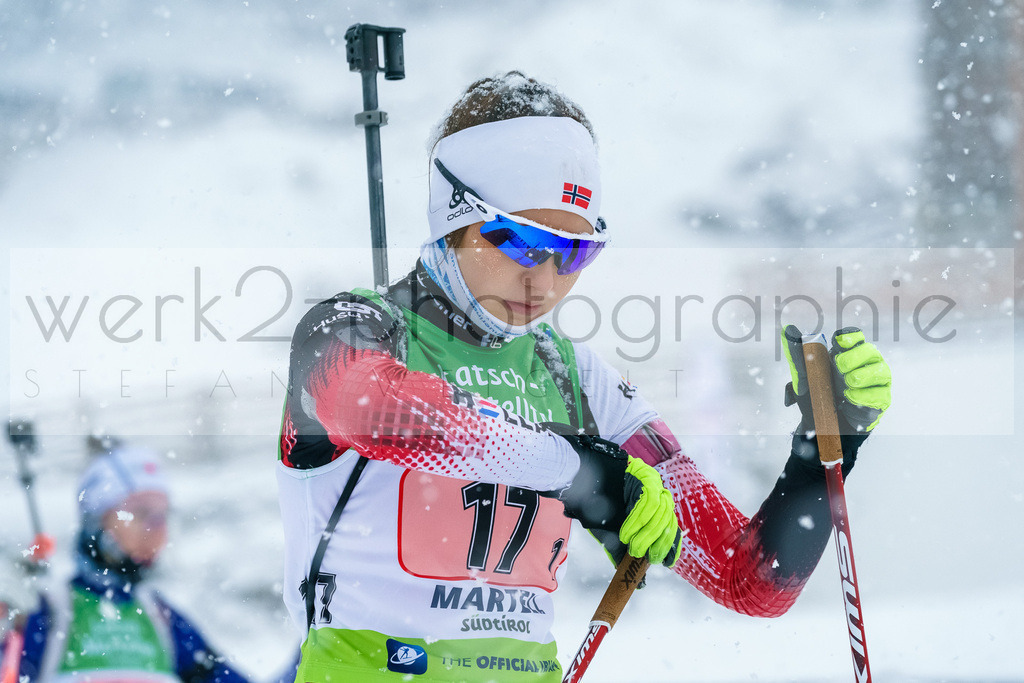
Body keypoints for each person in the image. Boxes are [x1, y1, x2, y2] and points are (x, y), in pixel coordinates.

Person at [276, 71, 892, 682]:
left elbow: (748, 580)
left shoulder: (573, 377)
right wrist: (576, 471)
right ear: (452, 219)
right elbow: (368, 409)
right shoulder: (354, 327)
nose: (544, 282)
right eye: (520, 242)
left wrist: (821, 455)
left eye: (574, 252)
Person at [1, 438, 269, 683]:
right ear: (97, 520)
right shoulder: (47, 611)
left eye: (163, 515)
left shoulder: (161, 616)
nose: (157, 528)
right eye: (140, 513)